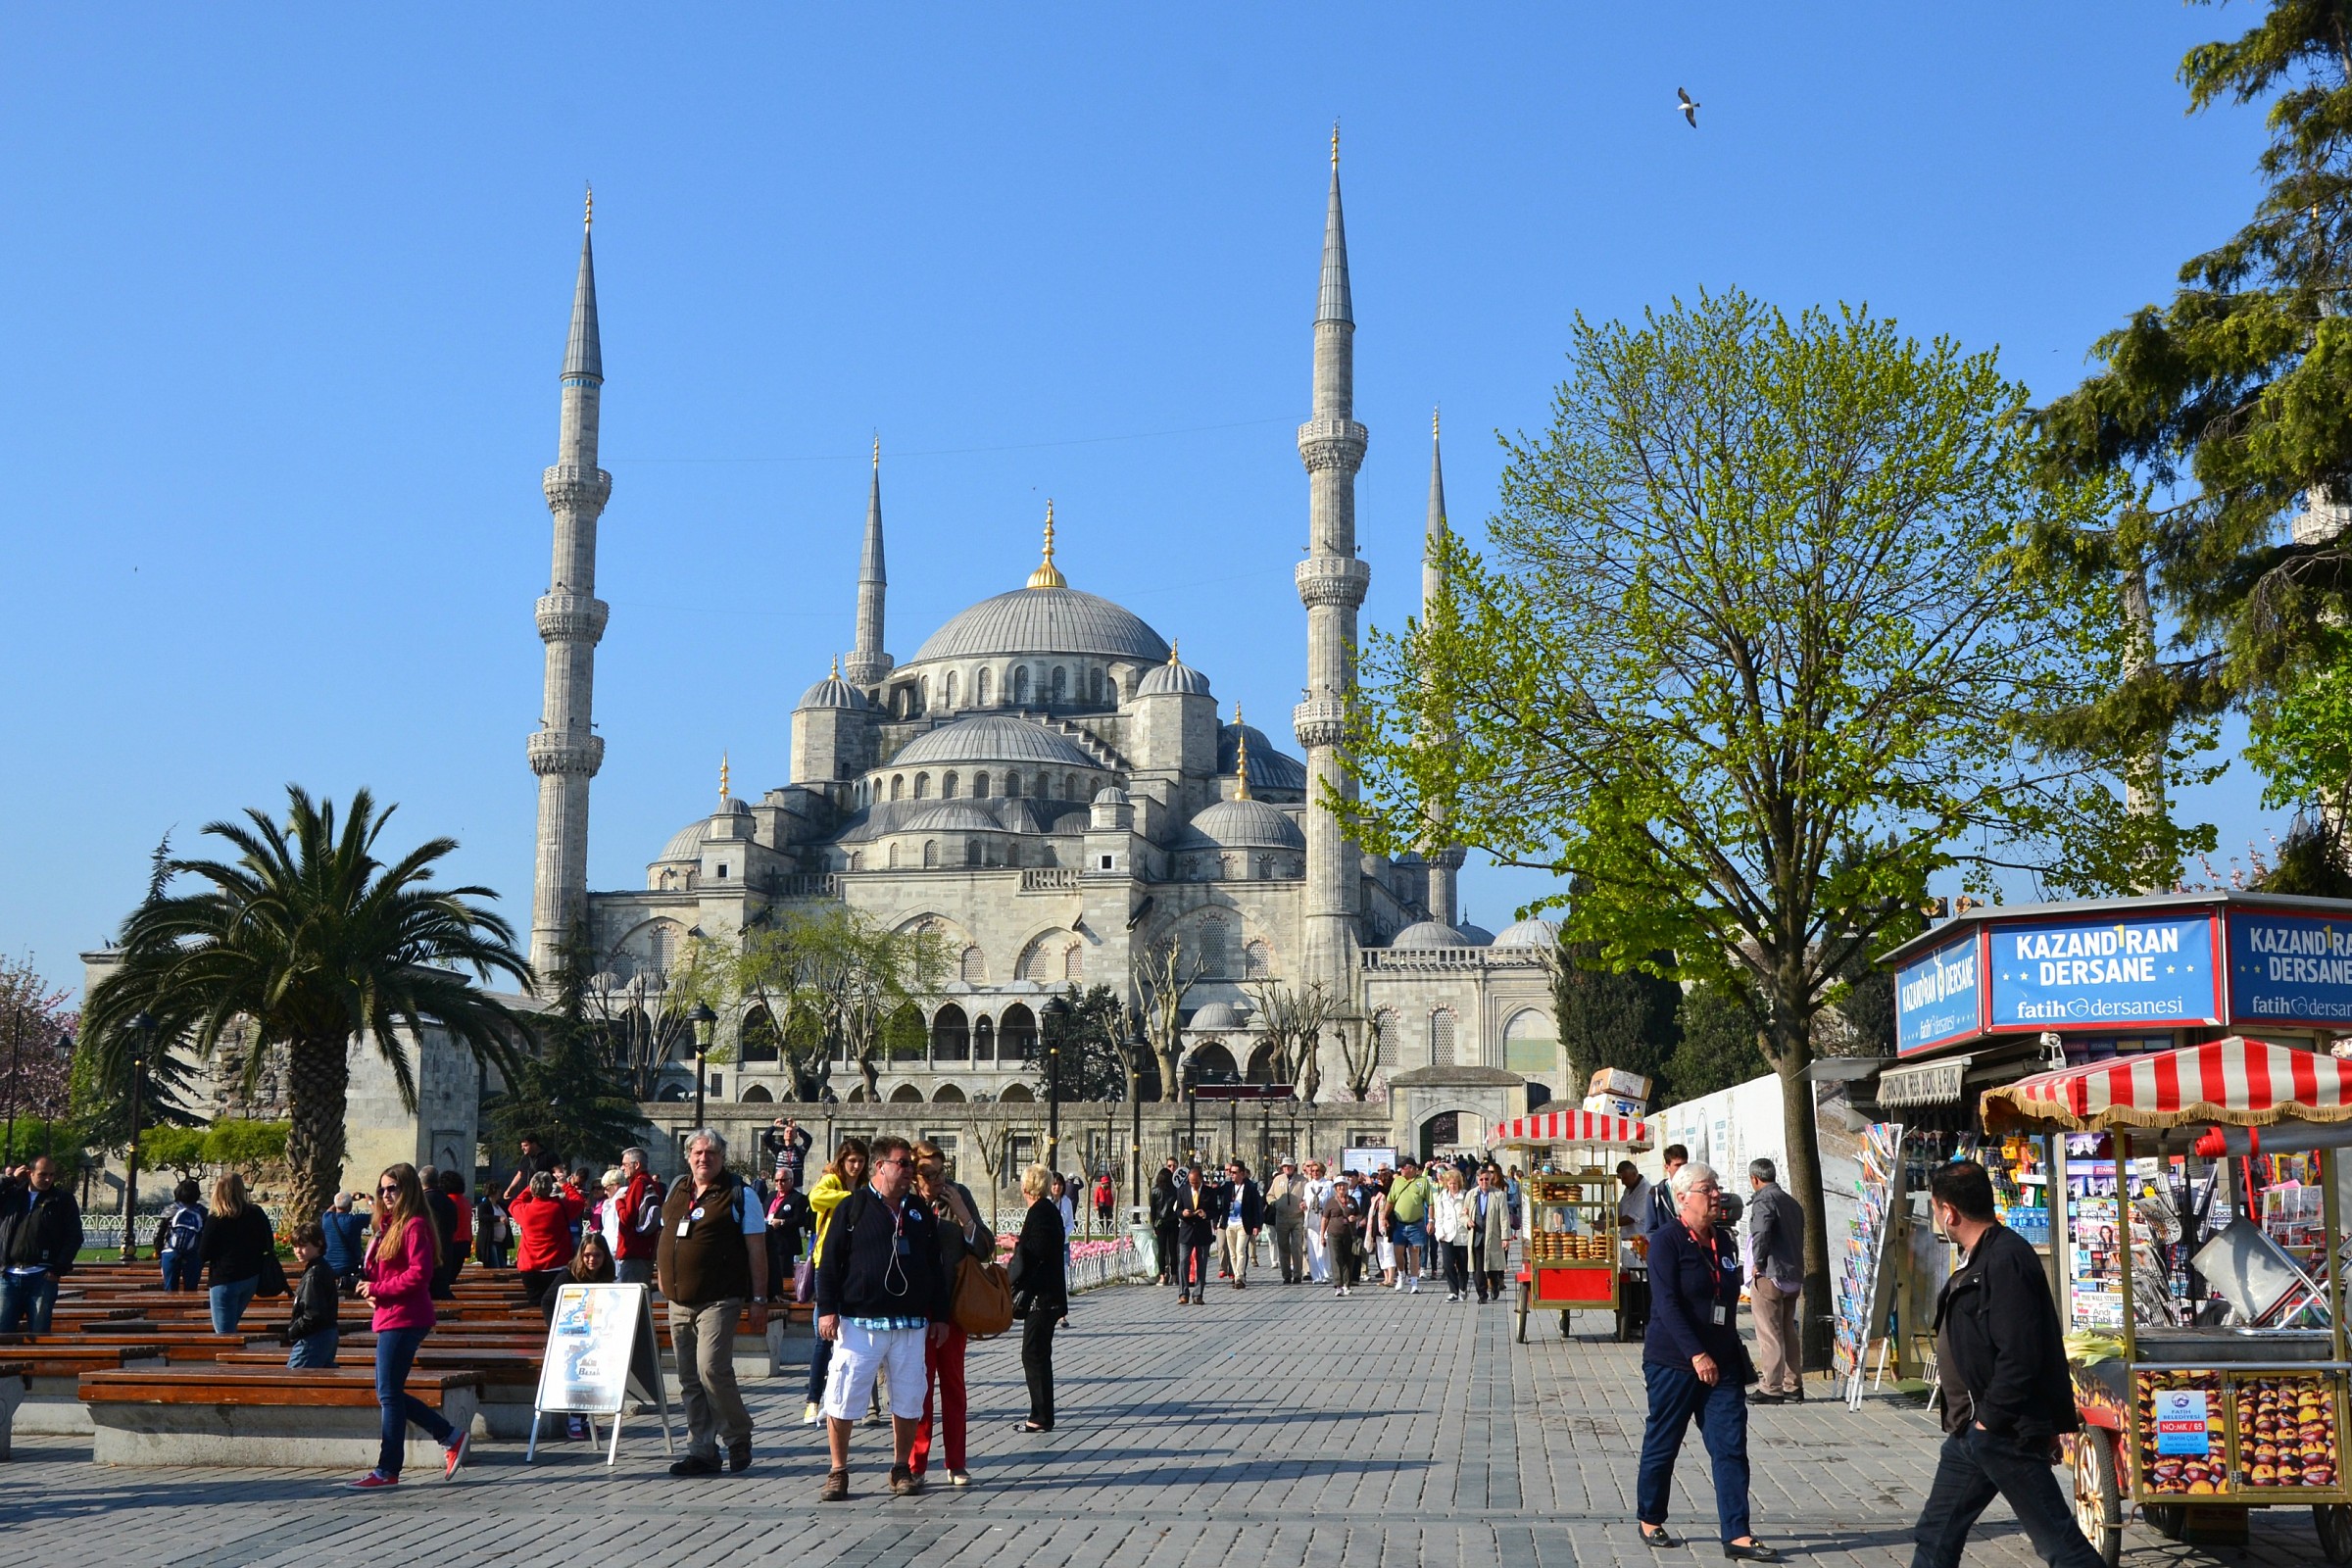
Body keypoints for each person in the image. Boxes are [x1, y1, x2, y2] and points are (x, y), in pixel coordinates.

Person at [1909, 1161, 2104, 1568]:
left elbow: (2023, 1352)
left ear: (1949, 1211)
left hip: (2002, 1428)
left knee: (2059, 1544)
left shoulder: (2006, 1258)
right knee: (1936, 1532)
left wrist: (1992, 1420)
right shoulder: (1978, 1256)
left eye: (1936, 1209)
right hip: (1973, 1429)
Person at [1636, 1161, 1775, 1560]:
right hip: (1674, 1362)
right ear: (1683, 1198)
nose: (1716, 1195)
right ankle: (1650, 1518)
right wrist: (1696, 1353)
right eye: (1707, 1189)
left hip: (1722, 1363)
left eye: (1716, 1188)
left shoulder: (1725, 1241)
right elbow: (1666, 1305)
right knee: (1664, 1442)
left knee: (1731, 1446)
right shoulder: (1666, 1242)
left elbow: (1727, 1299)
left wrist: (1722, 1352)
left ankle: (1737, 1534)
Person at [814, 1134, 949, 1501]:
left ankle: (901, 1466)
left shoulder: (918, 1210)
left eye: (911, 1165)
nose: (909, 1171)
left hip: (909, 1325)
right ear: (880, 1166)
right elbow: (829, 1263)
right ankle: (838, 1469)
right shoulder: (852, 1207)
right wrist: (827, 1309)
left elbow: (935, 1266)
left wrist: (940, 1314)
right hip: (860, 1323)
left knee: (908, 1398)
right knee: (843, 1395)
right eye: (902, 1164)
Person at [658, 1127, 770, 1478]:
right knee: (689, 1379)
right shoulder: (677, 1188)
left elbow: (757, 1250)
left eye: (711, 1153)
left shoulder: (739, 1194)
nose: (703, 1158)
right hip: (678, 1301)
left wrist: (759, 1299)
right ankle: (702, 1451)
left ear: (722, 1157)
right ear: (688, 1157)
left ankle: (738, 1435)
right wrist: (661, 1276)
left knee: (711, 1369)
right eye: (697, 1153)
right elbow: (666, 1235)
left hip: (719, 1300)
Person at [350, 1161, 466, 1490]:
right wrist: (370, 1289)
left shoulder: (414, 1225)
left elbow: (419, 1274)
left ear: (409, 1190)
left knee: (388, 1394)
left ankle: (388, 1469)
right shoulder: (388, 1226)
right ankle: (449, 1435)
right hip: (390, 1314)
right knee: (390, 1393)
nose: (386, 1194)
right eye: (382, 1189)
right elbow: (383, 1273)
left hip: (406, 1316)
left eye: (394, 1188)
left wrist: (379, 1289)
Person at [909, 1139, 984, 1486]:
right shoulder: (907, 1203)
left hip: (953, 1308)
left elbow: (985, 1247)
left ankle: (956, 1462)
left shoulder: (957, 1196)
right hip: (915, 1311)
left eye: (942, 1172)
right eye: (929, 1174)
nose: (938, 1180)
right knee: (918, 1390)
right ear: (915, 1176)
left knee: (953, 1387)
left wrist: (964, 1216)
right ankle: (916, 1464)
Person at [802, 1139, 869, 1425]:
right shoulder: (832, 1181)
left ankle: (862, 1404)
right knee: (824, 1336)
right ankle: (812, 1400)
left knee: (860, 1332)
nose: (856, 1166)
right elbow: (815, 1198)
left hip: (856, 1262)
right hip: (826, 1263)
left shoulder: (865, 1187)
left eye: (861, 1161)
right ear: (842, 1161)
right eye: (852, 1161)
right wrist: (851, 1198)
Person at [1744, 1157, 1807, 1405]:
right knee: (1788, 1330)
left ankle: (1771, 1387)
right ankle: (1793, 1384)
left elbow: (1761, 1232)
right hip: (1793, 1273)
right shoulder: (1791, 1202)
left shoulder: (1764, 1201)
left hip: (1770, 1273)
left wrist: (1757, 1263)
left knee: (1769, 1332)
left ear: (1755, 1179)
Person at [1011, 1162, 1068, 1433]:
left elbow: (1036, 1252)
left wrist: (1016, 1248)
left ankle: (1041, 1416)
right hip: (1048, 1295)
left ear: (1026, 1186)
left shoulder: (1040, 1212)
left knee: (1033, 1354)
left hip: (1042, 1297)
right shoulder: (1046, 1210)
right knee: (1038, 1354)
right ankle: (1042, 1413)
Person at [0, 1156, 81, 1334]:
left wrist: (58, 1268)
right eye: (42, 1174)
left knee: (39, 1334)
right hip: (8, 1276)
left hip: (42, 1277)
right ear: (30, 1173)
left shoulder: (61, 1200)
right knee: (2, 1332)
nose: (47, 1179)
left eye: (51, 1175)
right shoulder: (11, 1196)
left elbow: (74, 1237)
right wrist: (11, 1179)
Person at [199, 1171, 275, 1333]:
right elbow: (268, 1242)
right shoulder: (256, 1213)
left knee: (224, 1333)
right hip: (251, 1277)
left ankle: (233, 1350)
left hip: (225, 1277)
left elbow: (204, 1253)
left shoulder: (216, 1218)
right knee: (231, 1323)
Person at [509, 1169, 586, 1307]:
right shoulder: (560, 1207)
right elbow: (579, 1201)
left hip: (530, 1266)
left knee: (535, 1306)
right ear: (550, 1189)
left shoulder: (525, 1210)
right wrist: (565, 1184)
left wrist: (530, 1188)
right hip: (556, 1264)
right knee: (556, 1306)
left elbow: (514, 1204)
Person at [282, 1221, 340, 1368]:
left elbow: (312, 1313)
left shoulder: (314, 1274)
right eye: (295, 1246)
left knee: (294, 1377)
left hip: (314, 1337)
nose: (298, 1251)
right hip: (327, 1332)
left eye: (303, 1246)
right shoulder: (320, 1267)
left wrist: (293, 1331)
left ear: (319, 1244)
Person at [612, 1145, 664, 1286]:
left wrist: (619, 1202)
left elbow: (627, 1218)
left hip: (632, 1249)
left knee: (630, 1293)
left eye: (625, 1164)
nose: (622, 1168)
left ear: (637, 1165)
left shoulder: (638, 1184)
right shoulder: (652, 1184)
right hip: (646, 1248)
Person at [765, 1161, 814, 1296]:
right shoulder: (771, 1195)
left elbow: (800, 1219)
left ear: (791, 1181)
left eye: (783, 1180)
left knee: (783, 1274)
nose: (779, 1183)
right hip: (769, 1241)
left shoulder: (798, 1198)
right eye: (777, 1180)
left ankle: (783, 1297)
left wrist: (782, 1222)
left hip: (785, 1244)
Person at [1172, 1162, 1215, 1304]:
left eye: (1196, 1183)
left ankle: (1198, 1294)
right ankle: (1183, 1293)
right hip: (1187, 1231)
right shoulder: (1182, 1191)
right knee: (1183, 1262)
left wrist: (1205, 1214)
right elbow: (1178, 1210)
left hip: (1202, 1232)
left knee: (1201, 1264)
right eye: (1191, 1183)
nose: (1194, 1185)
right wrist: (1183, 1213)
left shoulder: (1209, 1192)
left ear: (1201, 1179)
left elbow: (1215, 1211)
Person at [1217, 1159, 1263, 1290]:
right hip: (1230, 1223)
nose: (1231, 1175)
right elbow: (1216, 1194)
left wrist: (1257, 1225)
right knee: (1232, 1253)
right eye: (1230, 1172)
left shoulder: (1251, 1187)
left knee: (1240, 1250)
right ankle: (1236, 1275)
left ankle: (1240, 1277)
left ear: (1242, 1174)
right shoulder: (1228, 1186)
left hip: (1244, 1224)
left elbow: (1257, 1207)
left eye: (1234, 1172)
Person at [1470, 1163, 1514, 1302]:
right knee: (1478, 1267)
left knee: (1492, 1265)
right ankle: (1482, 1294)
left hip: (1493, 1235)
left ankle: (1495, 1285)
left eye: (1486, 1179)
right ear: (1477, 1180)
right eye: (1481, 1179)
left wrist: (1505, 1237)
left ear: (1490, 1179)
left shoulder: (1498, 1195)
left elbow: (1504, 1217)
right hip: (1476, 1235)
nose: (1484, 1182)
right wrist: (1466, 1220)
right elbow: (1463, 1213)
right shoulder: (1471, 1195)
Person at [1431, 1164, 1473, 1301]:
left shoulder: (1465, 1196)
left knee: (1463, 1265)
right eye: (1450, 1183)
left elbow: (1470, 1213)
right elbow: (1439, 1217)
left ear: (1459, 1183)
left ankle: (1463, 1288)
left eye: (1455, 1183)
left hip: (1462, 1234)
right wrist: (1439, 1233)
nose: (1452, 1186)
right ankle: (1453, 1291)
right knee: (1448, 1264)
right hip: (1447, 1234)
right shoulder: (1442, 1197)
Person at [1388, 1157, 1431, 1293]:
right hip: (1399, 1224)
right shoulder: (1397, 1181)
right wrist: (1383, 1217)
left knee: (1414, 1252)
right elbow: (1390, 1200)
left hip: (1416, 1223)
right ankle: (1401, 1275)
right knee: (1398, 1252)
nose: (1400, 1170)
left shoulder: (1422, 1182)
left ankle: (1414, 1282)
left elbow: (1430, 1202)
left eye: (1403, 1167)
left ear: (1411, 1168)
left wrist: (1431, 1220)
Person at [157, 1177, 207, 1292]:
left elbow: (159, 1233)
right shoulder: (202, 1211)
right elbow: (206, 1235)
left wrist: (159, 1252)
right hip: (194, 1254)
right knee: (191, 1290)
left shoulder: (170, 1210)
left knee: (170, 1289)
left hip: (170, 1252)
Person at [1265, 1158, 1306, 1284]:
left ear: (1294, 1167)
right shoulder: (1278, 1180)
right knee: (1283, 1246)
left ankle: (1298, 1274)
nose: (1287, 1168)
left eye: (1290, 1166)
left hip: (1297, 1217)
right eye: (1285, 1166)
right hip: (1281, 1217)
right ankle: (1286, 1275)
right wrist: (1275, 1203)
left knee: (1297, 1246)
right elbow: (1269, 1195)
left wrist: (1305, 1202)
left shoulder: (1302, 1180)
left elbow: (1307, 1196)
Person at [1321, 1171, 1362, 1296]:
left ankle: (1347, 1284)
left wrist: (1355, 1218)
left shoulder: (1352, 1200)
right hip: (1334, 1233)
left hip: (1349, 1233)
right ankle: (1338, 1285)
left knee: (1348, 1259)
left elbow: (1359, 1214)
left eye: (1343, 1185)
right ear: (1335, 1188)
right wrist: (1322, 1235)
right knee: (1336, 1258)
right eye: (1339, 1186)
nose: (1341, 1188)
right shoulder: (1331, 1202)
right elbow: (1325, 1219)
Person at [323, 1191, 372, 1293]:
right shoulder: (354, 1220)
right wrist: (370, 1201)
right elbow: (378, 1216)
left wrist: (346, 1199)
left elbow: (329, 1210)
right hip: (349, 1268)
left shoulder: (326, 1218)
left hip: (328, 1268)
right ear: (350, 1206)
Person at [1150, 1158, 1180, 1285]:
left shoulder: (1155, 1191)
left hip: (1160, 1223)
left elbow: (1153, 1210)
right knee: (1173, 1250)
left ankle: (1162, 1276)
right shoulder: (1175, 1190)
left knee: (1161, 1251)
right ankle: (1174, 1276)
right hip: (1173, 1222)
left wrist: (1154, 1224)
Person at [503, 1133, 557, 1202]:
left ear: (534, 1144)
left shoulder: (549, 1156)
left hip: (542, 1198)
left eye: (525, 1145)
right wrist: (510, 1189)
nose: (523, 1148)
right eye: (522, 1146)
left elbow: (558, 1172)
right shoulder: (525, 1158)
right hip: (525, 1196)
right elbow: (519, 1174)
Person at [769, 1116, 813, 1187]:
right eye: (787, 1132)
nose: (789, 1133)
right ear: (783, 1135)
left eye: (792, 1132)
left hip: (796, 1185)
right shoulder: (778, 1149)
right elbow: (766, 1138)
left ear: (796, 1136)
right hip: (781, 1185)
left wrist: (797, 1128)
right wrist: (774, 1126)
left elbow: (808, 1140)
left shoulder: (800, 1151)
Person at [472, 1189, 508, 1270]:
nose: (500, 1193)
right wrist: (498, 1218)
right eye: (498, 1191)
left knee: (502, 1265)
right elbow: (482, 1217)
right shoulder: (484, 1205)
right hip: (490, 1240)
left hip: (500, 1242)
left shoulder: (500, 1205)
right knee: (495, 1265)